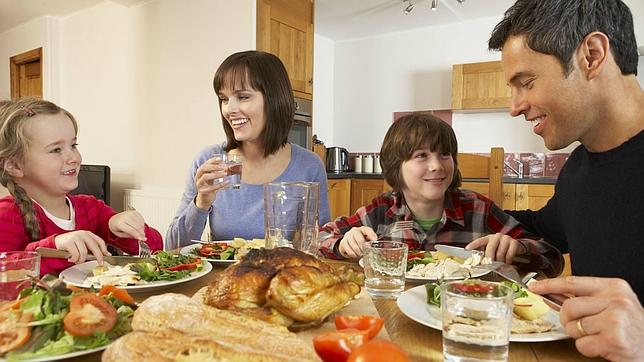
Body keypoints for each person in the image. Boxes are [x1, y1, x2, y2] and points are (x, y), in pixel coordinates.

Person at [488, 0, 644, 360]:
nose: (514, 106)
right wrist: (452, 203)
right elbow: (544, 227)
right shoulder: (577, 169)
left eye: (525, 83)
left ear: (591, 55)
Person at [318, 113, 562, 277]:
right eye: (421, 156)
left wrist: (519, 248)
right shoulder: (381, 211)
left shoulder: (478, 209)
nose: (436, 165)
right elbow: (319, 237)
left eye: (445, 154)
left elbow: (552, 258)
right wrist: (343, 244)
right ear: (395, 166)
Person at [166, 51, 330, 247]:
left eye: (243, 97)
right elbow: (172, 248)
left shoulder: (309, 166)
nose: (229, 109)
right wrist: (201, 202)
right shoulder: (209, 161)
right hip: (226, 277)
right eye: (224, 99)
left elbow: (322, 242)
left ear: (274, 99)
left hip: (283, 276)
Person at [0, 98, 163, 276]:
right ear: (15, 166)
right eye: (56, 150)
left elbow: (157, 247)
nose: (74, 158)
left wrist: (123, 227)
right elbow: (5, 274)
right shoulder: (7, 215)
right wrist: (53, 247)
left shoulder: (91, 208)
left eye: (73, 145)